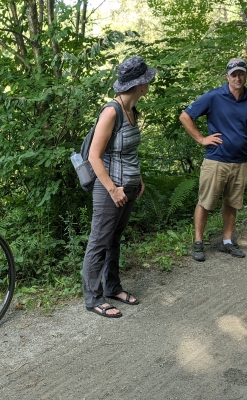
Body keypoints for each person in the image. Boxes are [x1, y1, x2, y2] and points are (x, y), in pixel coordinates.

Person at [179, 58, 247, 262]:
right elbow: (185, 116)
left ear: (246, 75)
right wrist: (201, 139)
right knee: (205, 202)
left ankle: (227, 241)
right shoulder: (214, 96)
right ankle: (198, 241)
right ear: (227, 77)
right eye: (234, 74)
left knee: (232, 203)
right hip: (216, 160)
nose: (238, 78)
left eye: (241, 73)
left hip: (241, 161)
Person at [82, 56, 156, 318]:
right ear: (140, 85)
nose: (149, 83)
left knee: (114, 239)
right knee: (99, 241)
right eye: (147, 80)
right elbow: (94, 155)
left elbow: (128, 153)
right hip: (109, 189)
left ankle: (112, 287)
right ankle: (93, 297)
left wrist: (138, 179)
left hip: (129, 188)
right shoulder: (111, 111)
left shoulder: (132, 110)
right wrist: (113, 189)